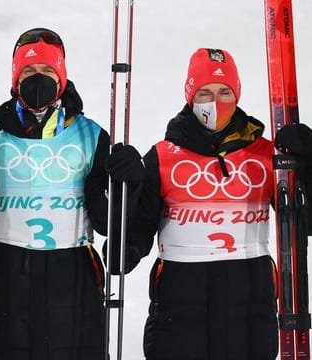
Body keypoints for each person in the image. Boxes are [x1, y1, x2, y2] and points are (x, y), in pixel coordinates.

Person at [0, 28, 143, 360]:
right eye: (29, 72)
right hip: (7, 268)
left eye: (48, 71)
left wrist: (131, 184)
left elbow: (107, 222)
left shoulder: (90, 135)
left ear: (62, 78)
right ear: (15, 79)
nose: (38, 79)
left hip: (71, 273)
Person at [113, 48, 312, 359]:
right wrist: (126, 198)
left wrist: (307, 168)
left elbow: (304, 223)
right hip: (178, 322)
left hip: (249, 316)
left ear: (237, 94)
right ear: (190, 96)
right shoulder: (164, 157)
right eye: (204, 92)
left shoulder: (266, 155)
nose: (215, 102)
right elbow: (129, 244)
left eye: (224, 91)